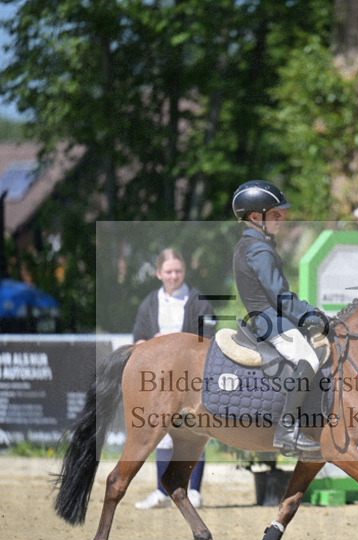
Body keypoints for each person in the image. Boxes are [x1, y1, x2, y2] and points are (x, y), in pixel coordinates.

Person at [231, 180, 328, 453]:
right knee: (309, 357)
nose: (280, 218)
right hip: (269, 320)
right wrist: (309, 314)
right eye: (274, 214)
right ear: (254, 217)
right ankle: (286, 430)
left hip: (265, 317)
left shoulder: (248, 244)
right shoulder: (259, 249)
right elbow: (279, 296)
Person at [133, 248, 217, 509]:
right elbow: (138, 340)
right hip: (160, 383)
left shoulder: (198, 301)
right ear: (159, 273)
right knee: (163, 434)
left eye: (178, 271)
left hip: (192, 381)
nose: (173, 276)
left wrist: (172, 345)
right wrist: (151, 345)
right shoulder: (149, 303)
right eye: (168, 271)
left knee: (196, 431)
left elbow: (208, 340)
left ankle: (194, 491)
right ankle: (161, 492)